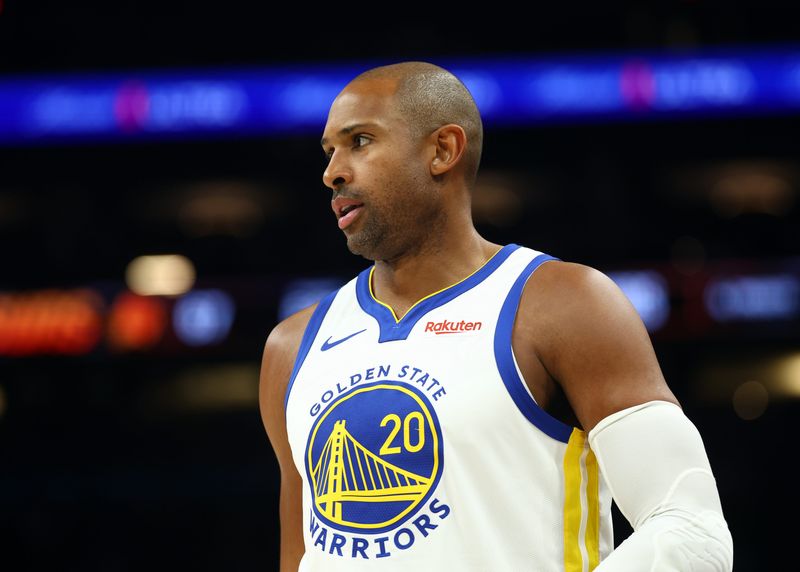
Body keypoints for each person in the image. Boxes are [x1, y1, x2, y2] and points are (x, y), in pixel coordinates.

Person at [259, 61, 734, 571]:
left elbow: (690, 527)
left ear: (443, 150)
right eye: (330, 151)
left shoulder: (563, 303)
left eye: (359, 141)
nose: (332, 172)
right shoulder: (293, 346)